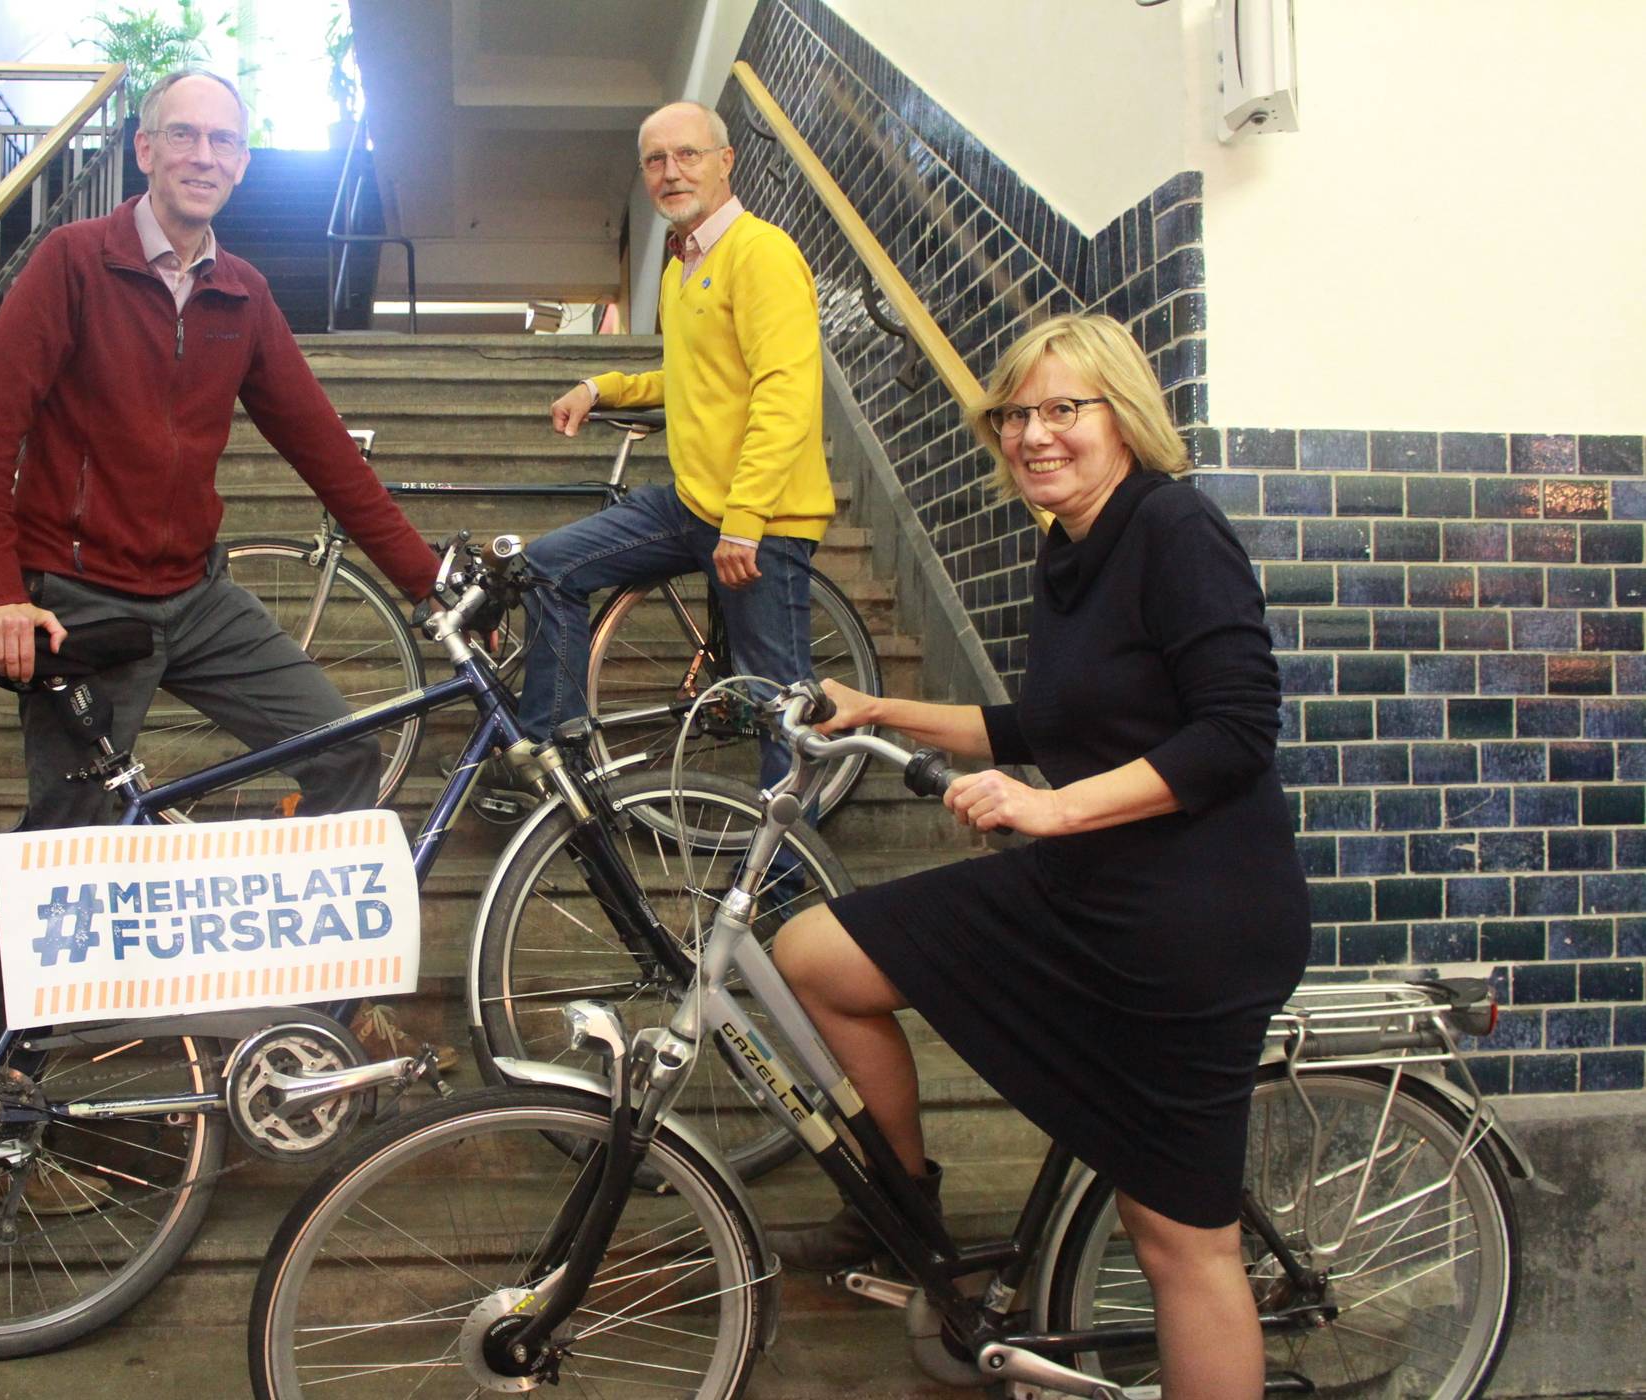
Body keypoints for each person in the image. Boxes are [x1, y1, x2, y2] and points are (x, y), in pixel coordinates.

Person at [767, 313, 1310, 1398]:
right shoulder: (1068, 544)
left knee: (1177, 1240)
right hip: (1093, 890)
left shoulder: (1173, 528)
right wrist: (883, 706)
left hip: (1193, 917)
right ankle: (905, 1197)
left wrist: (1056, 813)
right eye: (1015, 413)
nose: (1033, 434)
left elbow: (1234, 729)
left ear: (1125, 417)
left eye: (1064, 409)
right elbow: (1047, 722)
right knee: (818, 951)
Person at [0, 68, 454, 1069]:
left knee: (348, 748)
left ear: (243, 164)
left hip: (196, 590)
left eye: (223, 142)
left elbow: (325, 451)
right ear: (145, 151)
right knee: (70, 844)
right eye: (183, 136)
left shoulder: (241, 293)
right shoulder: (73, 263)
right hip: (82, 598)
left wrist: (427, 580)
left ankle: (320, 999)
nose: (203, 156)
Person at [472, 100, 833, 807]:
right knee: (549, 568)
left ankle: (790, 883)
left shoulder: (761, 253)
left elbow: (785, 391)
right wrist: (601, 386)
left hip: (759, 519)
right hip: (693, 500)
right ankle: (552, 757)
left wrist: (746, 517)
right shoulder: (682, 266)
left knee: (778, 707)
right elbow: (693, 377)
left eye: (688, 155)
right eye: (656, 160)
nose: (671, 172)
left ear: (726, 160)